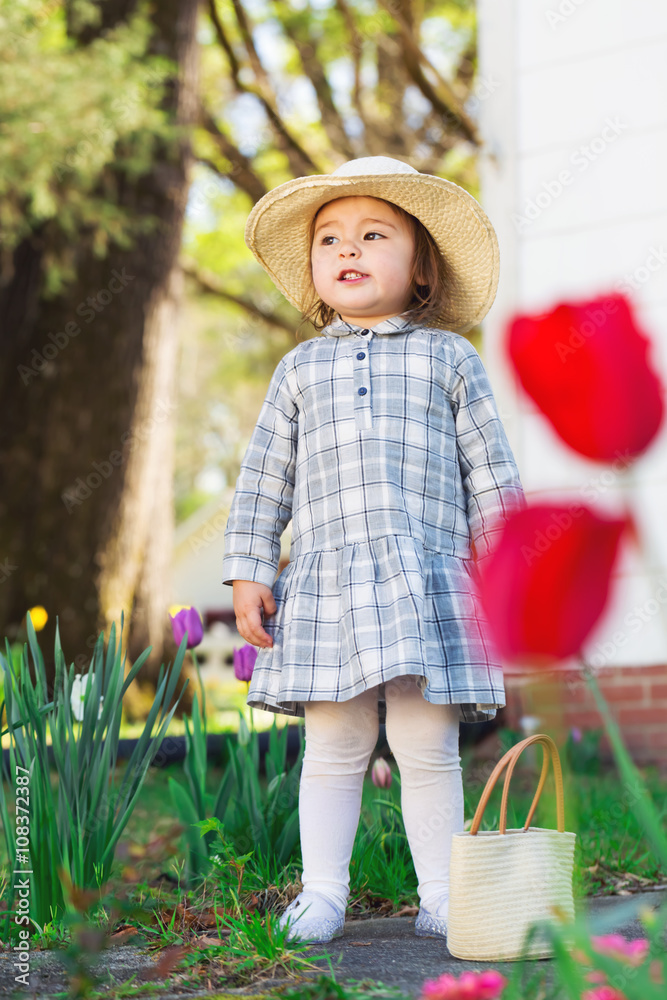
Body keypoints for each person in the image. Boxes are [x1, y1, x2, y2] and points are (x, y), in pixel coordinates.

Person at [221, 156, 526, 944]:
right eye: (329, 239)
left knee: (427, 745)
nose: (346, 249)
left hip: (425, 580)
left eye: (371, 234)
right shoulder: (300, 370)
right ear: (315, 267)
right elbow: (264, 479)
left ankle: (441, 896)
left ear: (419, 266)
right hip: (327, 583)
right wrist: (251, 567)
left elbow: (489, 470)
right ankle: (321, 893)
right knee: (333, 745)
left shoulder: (448, 358)